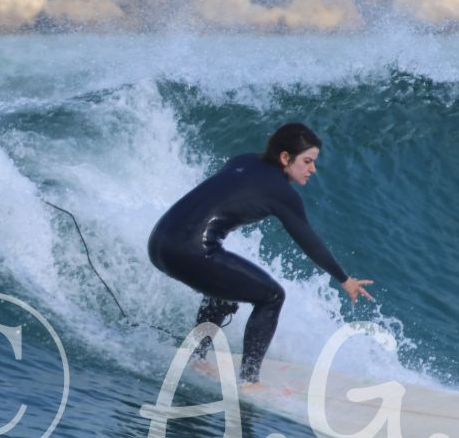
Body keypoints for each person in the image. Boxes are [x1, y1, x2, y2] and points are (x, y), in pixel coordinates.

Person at [147, 122, 373, 384]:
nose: (313, 169)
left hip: (160, 242)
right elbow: (309, 242)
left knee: (222, 290)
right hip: (190, 251)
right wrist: (345, 280)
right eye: (308, 161)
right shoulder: (282, 193)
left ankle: (196, 356)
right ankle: (250, 380)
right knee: (272, 296)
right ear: (285, 157)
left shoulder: (242, 160)